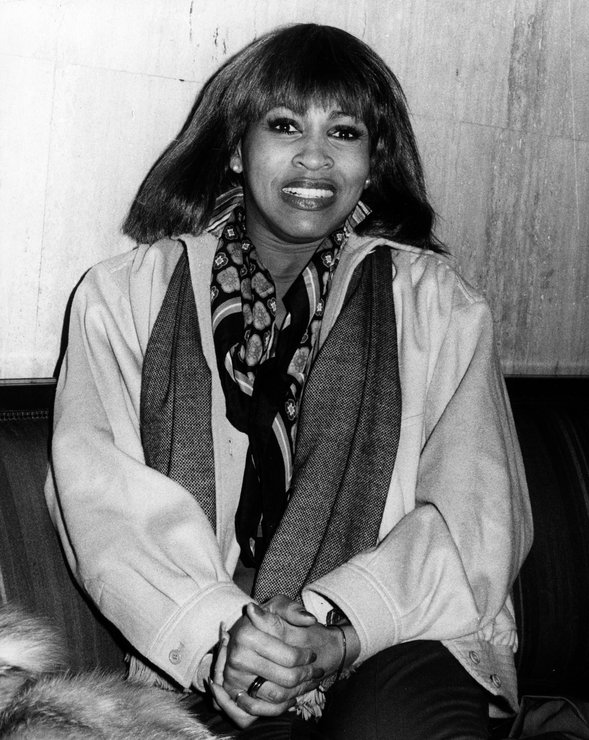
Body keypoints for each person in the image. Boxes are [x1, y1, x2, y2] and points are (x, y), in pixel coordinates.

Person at [46, 23, 533, 739]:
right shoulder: (124, 297)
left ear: (372, 162)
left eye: (344, 132)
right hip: (207, 650)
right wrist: (224, 636)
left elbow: (476, 515)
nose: (314, 156)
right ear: (236, 148)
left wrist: (339, 629)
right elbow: (105, 507)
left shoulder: (438, 304)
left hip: (396, 632)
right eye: (283, 125)